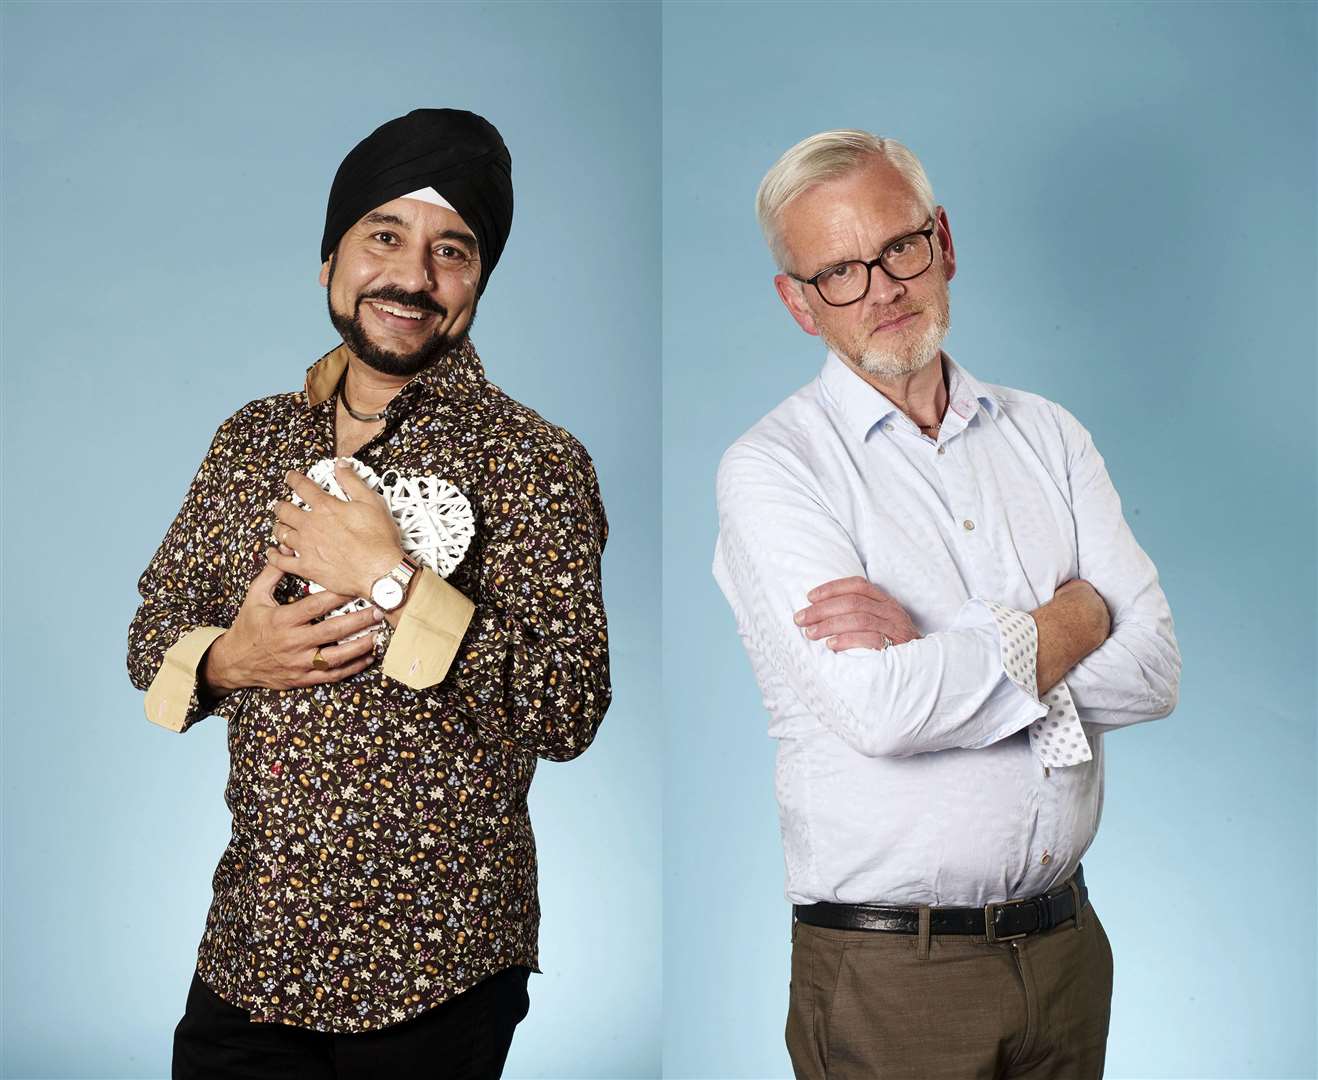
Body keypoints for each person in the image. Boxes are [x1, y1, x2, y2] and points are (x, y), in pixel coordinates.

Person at [127, 108, 611, 1079]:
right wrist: (230, 660)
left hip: (441, 970)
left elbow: (567, 708)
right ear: (329, 259)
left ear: (478, 281)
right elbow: (151, 634)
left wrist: (391, 582)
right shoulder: (248, 440)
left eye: (452, 250)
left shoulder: (535, 462)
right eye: (384, 235)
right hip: (251, 957)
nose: (412, 275)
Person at [712, 129, 1180, 1078]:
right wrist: (1076, 616)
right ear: (799, 305)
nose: (882, 287)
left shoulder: (1048, 435)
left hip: (1066, 952)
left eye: (899, 247)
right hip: (893, 974)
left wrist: (939, 647)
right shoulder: (772, 470)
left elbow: (1157, 670)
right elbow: (882, 712)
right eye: (838, 271)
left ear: (945, 243)